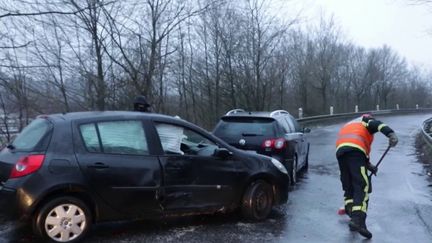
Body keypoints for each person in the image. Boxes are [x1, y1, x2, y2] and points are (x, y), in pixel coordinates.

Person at [335, 114, 398, 239]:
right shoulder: (366, 120)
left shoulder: (351, 125)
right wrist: (391, 134)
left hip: (341, 152)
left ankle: (352, 212)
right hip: (355, 151)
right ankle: (357, 220)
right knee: (362, 186)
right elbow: (378, 125)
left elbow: (354, 149)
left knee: (349, 185)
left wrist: (368, 165)